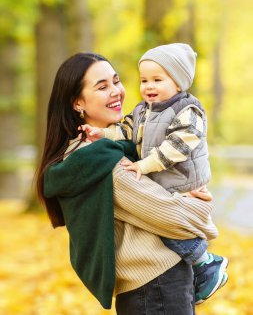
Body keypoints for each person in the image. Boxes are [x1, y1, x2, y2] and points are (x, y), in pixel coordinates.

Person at [37, 52, 219, 315]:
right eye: (102, 87)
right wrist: (199, 205)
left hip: (151, 285)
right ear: (77, 102)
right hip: (156, 285)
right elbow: (179, 218)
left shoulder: (111, 148)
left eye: (116, 81)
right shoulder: (102, 161)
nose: (116, 92)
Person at [80, 44, 228, 304]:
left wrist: (143, 166)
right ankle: (202, 266)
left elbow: (178, 147)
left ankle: (205, 263)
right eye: (144, 80)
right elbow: (126, 130)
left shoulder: (188, 111)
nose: (149, 86)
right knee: (164, 225)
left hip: (182, 178)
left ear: (178, 82)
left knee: (168, 227)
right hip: (164, 179)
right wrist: (101, 133)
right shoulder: (143, 110)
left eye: (157, 80)